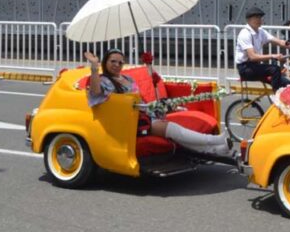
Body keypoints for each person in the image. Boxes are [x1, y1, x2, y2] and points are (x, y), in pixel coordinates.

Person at [84, 49, 232, 158]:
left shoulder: (128, 79)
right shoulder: (103, 80)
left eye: (120, 62)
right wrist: (95, 66)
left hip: (145, 113)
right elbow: (96, 93)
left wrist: (157, 103)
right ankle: (213, 140)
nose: (117, 65)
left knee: (172, 132)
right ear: (105, 62)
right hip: (130, 121)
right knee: (172, 129)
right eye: (113, 61)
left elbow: (140, 98)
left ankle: (215, 151)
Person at [236, 6, 290, 92]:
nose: (259, 20)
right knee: (275, 69)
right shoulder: (245, 33)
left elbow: (280, 42)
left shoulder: (261, 31)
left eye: (260, 17)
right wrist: (273, 56)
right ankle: (276, 97)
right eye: (256, 17)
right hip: (245, 68)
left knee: (286, 83)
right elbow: (252, 57)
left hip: (255, 66)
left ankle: (282, 95)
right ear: (249, 20)